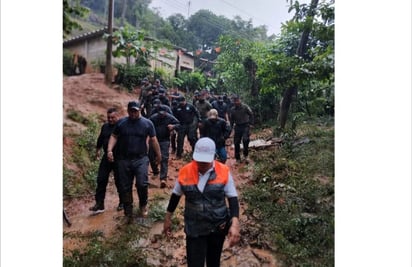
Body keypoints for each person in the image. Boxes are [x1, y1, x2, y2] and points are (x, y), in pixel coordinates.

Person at [163, 137, 241, 267]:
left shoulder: (223, 171)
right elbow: (175, 196)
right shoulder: (185, 171)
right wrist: (168, 218)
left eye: (206, 161)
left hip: (217, 226)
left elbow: (233, 199)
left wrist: (235, 223)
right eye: (199, 161)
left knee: (213, 262)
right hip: (194, 227)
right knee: (194, 263)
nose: (202, 164)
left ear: (213, 156)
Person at [107, 101, 161, 223]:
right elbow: (114, 136)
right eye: (131, 111)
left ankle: (143, 204)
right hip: (123, 159)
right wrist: (109, 150)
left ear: (140, 110)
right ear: (128, 110)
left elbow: (153, 140)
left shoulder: (147, 124)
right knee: (125, 186)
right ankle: (128, 212)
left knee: (142, 183)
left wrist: (159, 155)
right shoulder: (121, 123)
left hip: (141, 158)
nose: (133, 113)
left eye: (135, 111)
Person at [89, 108, 123, 214]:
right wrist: (97, 150)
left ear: (118, 116)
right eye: (108, 117)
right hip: (106, 157)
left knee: (120, 181)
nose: (110, 119)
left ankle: (123, 202)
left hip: (119, 158)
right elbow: (100, 139)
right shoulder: (105, 127)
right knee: (101, 179)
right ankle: (99, 204)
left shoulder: (122, 126)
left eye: (113, 117)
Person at [149, 106, 180, 188]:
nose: (162, 115)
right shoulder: (153, 118)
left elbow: (179, 124)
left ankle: (163, 178)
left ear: (166, 112)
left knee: (164, 158)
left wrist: (173, 126)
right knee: (151, 156)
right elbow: (147, 125)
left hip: (165, 140)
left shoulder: (170, 117)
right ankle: (155, 171)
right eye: (160, 113)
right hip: (154, 140)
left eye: (163, 113)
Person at [229, 95, 254, 163]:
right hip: (237, 126)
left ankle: (246, 155)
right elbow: (231, 120)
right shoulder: (232, 110)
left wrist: (251, 124)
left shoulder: (245, 107)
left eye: (237, 100)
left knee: (246, 140)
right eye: (235, 101)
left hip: (245, 125)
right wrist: (231, 128)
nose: (236, 102)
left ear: (240, 100)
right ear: (233, 102)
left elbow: (251, 114)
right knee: (236, 142)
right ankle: (237, 158)